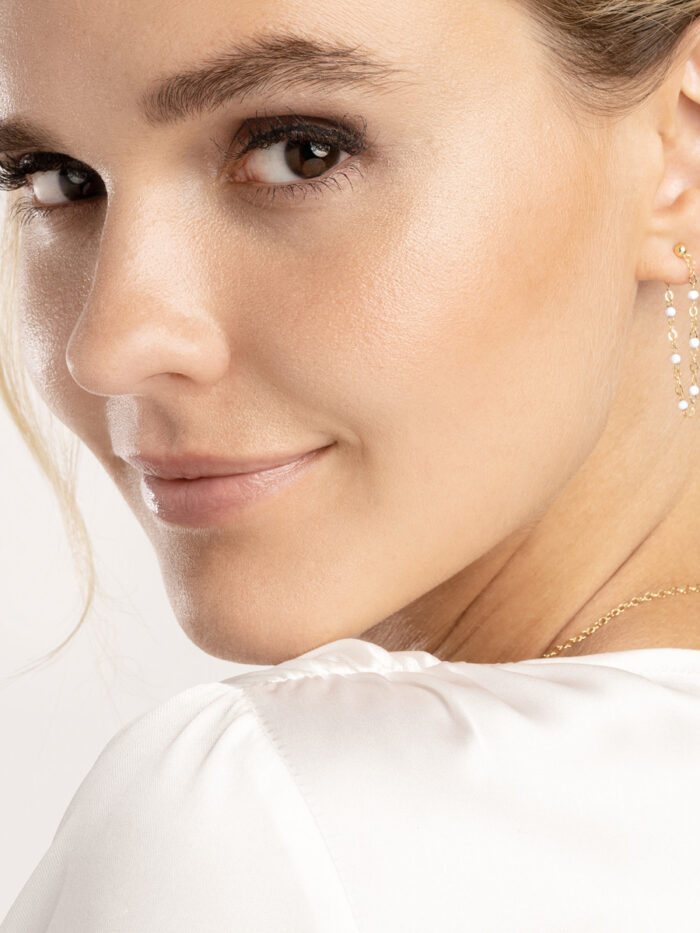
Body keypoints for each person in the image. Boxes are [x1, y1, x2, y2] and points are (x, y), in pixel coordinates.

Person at [2, 0, 700, 928]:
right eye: (57, 178)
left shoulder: (265, 812)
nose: (110, 346)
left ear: (680, 150)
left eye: (300, 152)